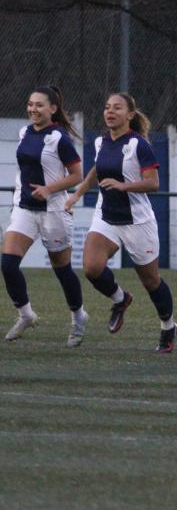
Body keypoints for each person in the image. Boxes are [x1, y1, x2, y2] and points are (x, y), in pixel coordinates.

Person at [65, 93, 177, 353]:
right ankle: (120, 299)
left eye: (117, 108)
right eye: (107, 107)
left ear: (130, 115)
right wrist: (78, 194)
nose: (110, 111)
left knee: (151, 281)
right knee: (92, 268)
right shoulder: (100, 142)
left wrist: (123, 185)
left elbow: (154, 183)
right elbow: (96, 170)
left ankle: (168, 327)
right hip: (106, 215)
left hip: (137, 221)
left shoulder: (139, 145)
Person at [3, 86, 86, 346]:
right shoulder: (24, 132)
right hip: (25, 209)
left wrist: (49, 189)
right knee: (7, 264)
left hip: (53, 212)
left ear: (53, 109)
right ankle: (26, 315)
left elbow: (77, 176)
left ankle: (78, 317)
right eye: (30, 104)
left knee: (62, 270)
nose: (33, 109)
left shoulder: (59, 138)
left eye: (39, 105)